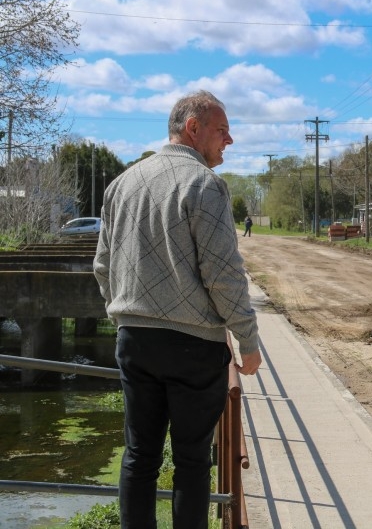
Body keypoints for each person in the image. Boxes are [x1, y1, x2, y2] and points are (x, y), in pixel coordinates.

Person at [94, 90, 262, 529]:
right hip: (192, 345)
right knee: (191, 461)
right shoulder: (204, 184)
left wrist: (123, 314)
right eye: (222, 130)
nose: (229, 140)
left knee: (139, 456)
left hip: (134, 339)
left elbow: (102, 265)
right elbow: (223, 275)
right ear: (194, 127)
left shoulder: (122, 183)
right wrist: (248, 340)